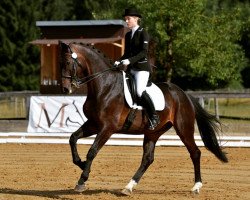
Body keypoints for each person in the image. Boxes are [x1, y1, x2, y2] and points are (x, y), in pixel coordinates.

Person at [114, 8, 160, 130]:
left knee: (139, 91)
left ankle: (154, 116)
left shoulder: (143, 33)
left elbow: (143, 52)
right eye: (125, 19)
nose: (126, 21)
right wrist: (119, 60)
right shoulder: (128, 35)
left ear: (136, 19)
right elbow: (127, 53)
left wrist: (129, 61)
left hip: (142, 69)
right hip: (131, 69)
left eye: (128, 19)